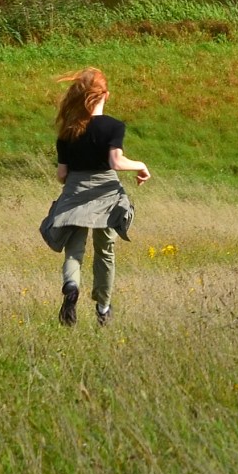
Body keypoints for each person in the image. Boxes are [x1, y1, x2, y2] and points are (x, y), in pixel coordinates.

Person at [39, 68, 150, 327]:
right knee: (105, 251)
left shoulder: (67, 131)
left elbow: (61, 174)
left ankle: (71, 286)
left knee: (73, 250)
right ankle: (103, 307)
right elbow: (116, 162)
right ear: (105, 95)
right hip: (106, 192)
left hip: (75, 191)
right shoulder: (112, 126)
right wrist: (141, 165)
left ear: (78, 96)